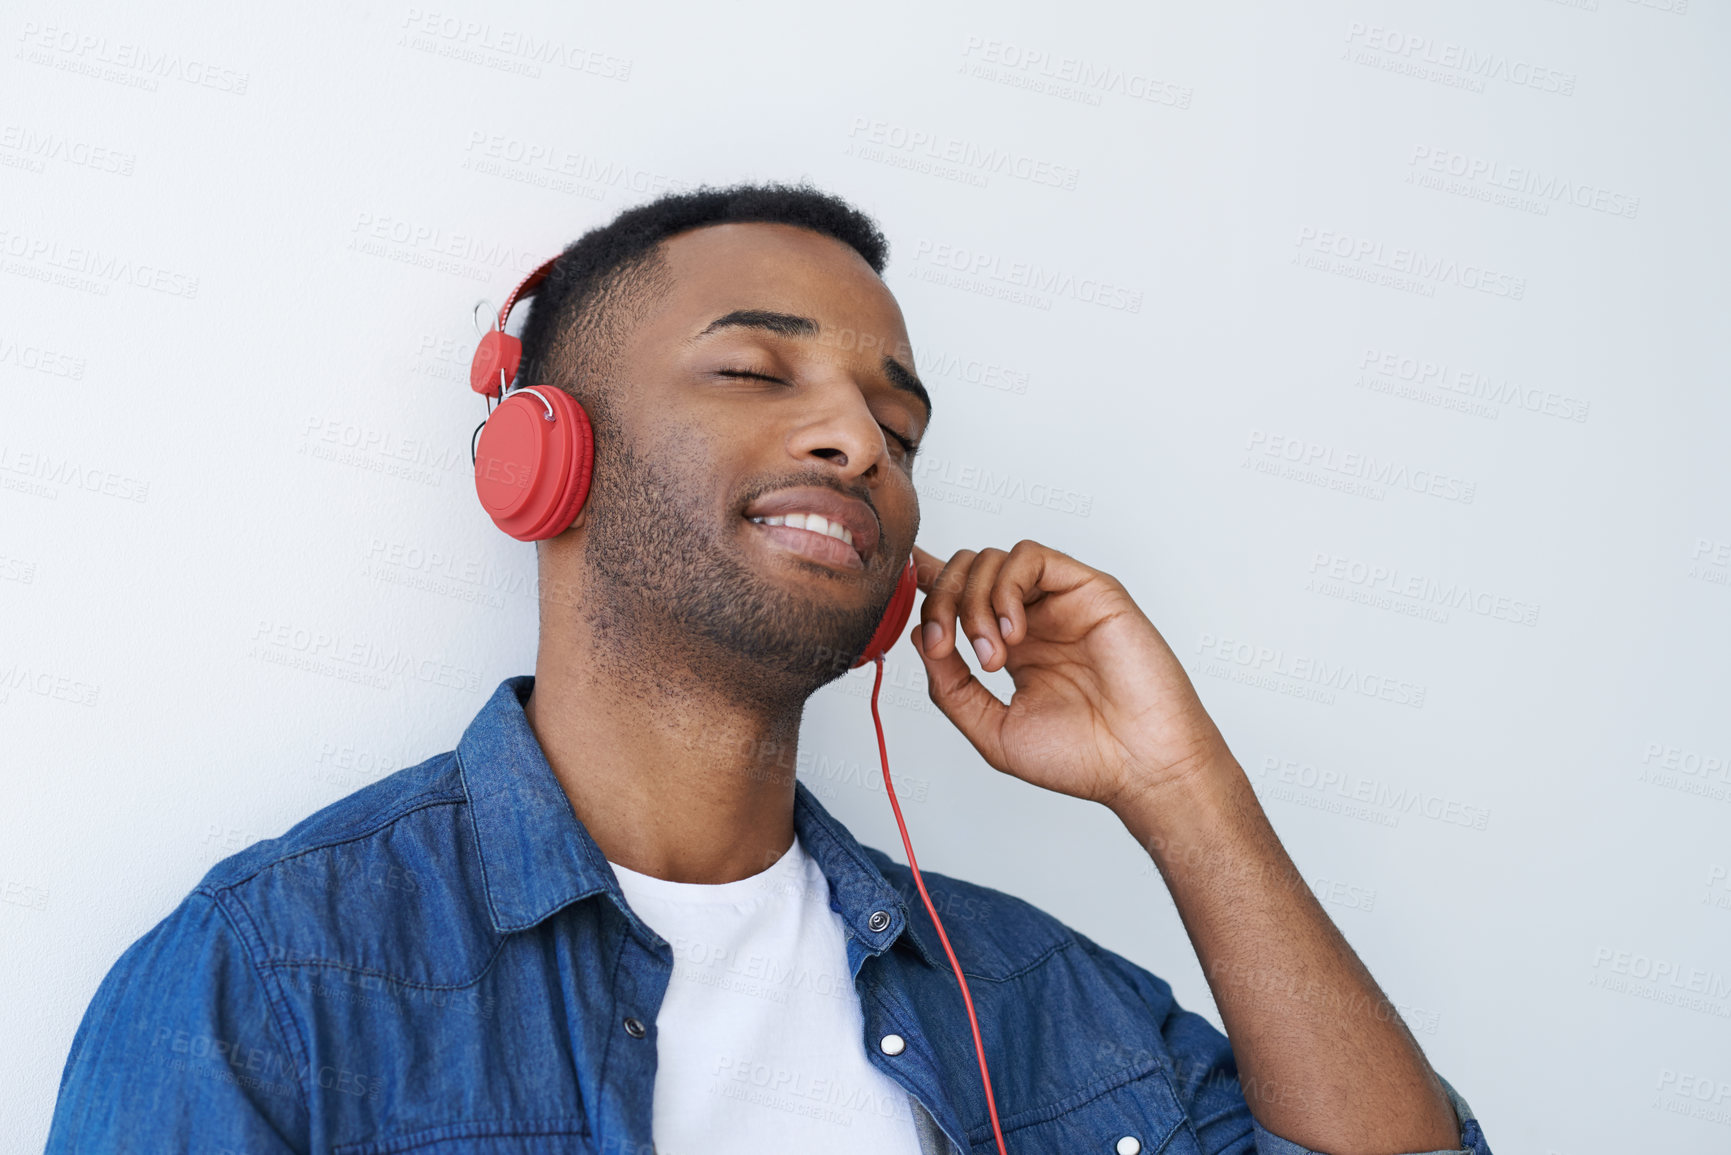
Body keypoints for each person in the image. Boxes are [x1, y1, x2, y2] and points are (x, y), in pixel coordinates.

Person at [44, 183, 1493, 1155]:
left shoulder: (1037, 998)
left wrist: (1181, 788)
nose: (859, 443)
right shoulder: (275, 976)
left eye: (899, 426)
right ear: (542, 457)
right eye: (755, 372)